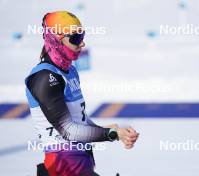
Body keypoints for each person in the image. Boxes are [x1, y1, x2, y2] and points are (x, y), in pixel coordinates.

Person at [25, 11, 139, 176]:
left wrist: (110, 130)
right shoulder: (44, 77)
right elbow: (68, 130)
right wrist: (111, 134)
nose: (82, 43)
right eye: (75, 38)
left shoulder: (70, 70)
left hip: (80, 162)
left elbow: (79, 120)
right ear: (56, 40)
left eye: (82, 35)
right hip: (62, 165)